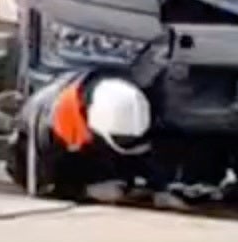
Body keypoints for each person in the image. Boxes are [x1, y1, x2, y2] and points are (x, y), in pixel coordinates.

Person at [10, 69, 158, 202]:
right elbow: (38, 186)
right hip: (60, 162)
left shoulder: (130, 99)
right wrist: (84, 191)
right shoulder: (43, 130)